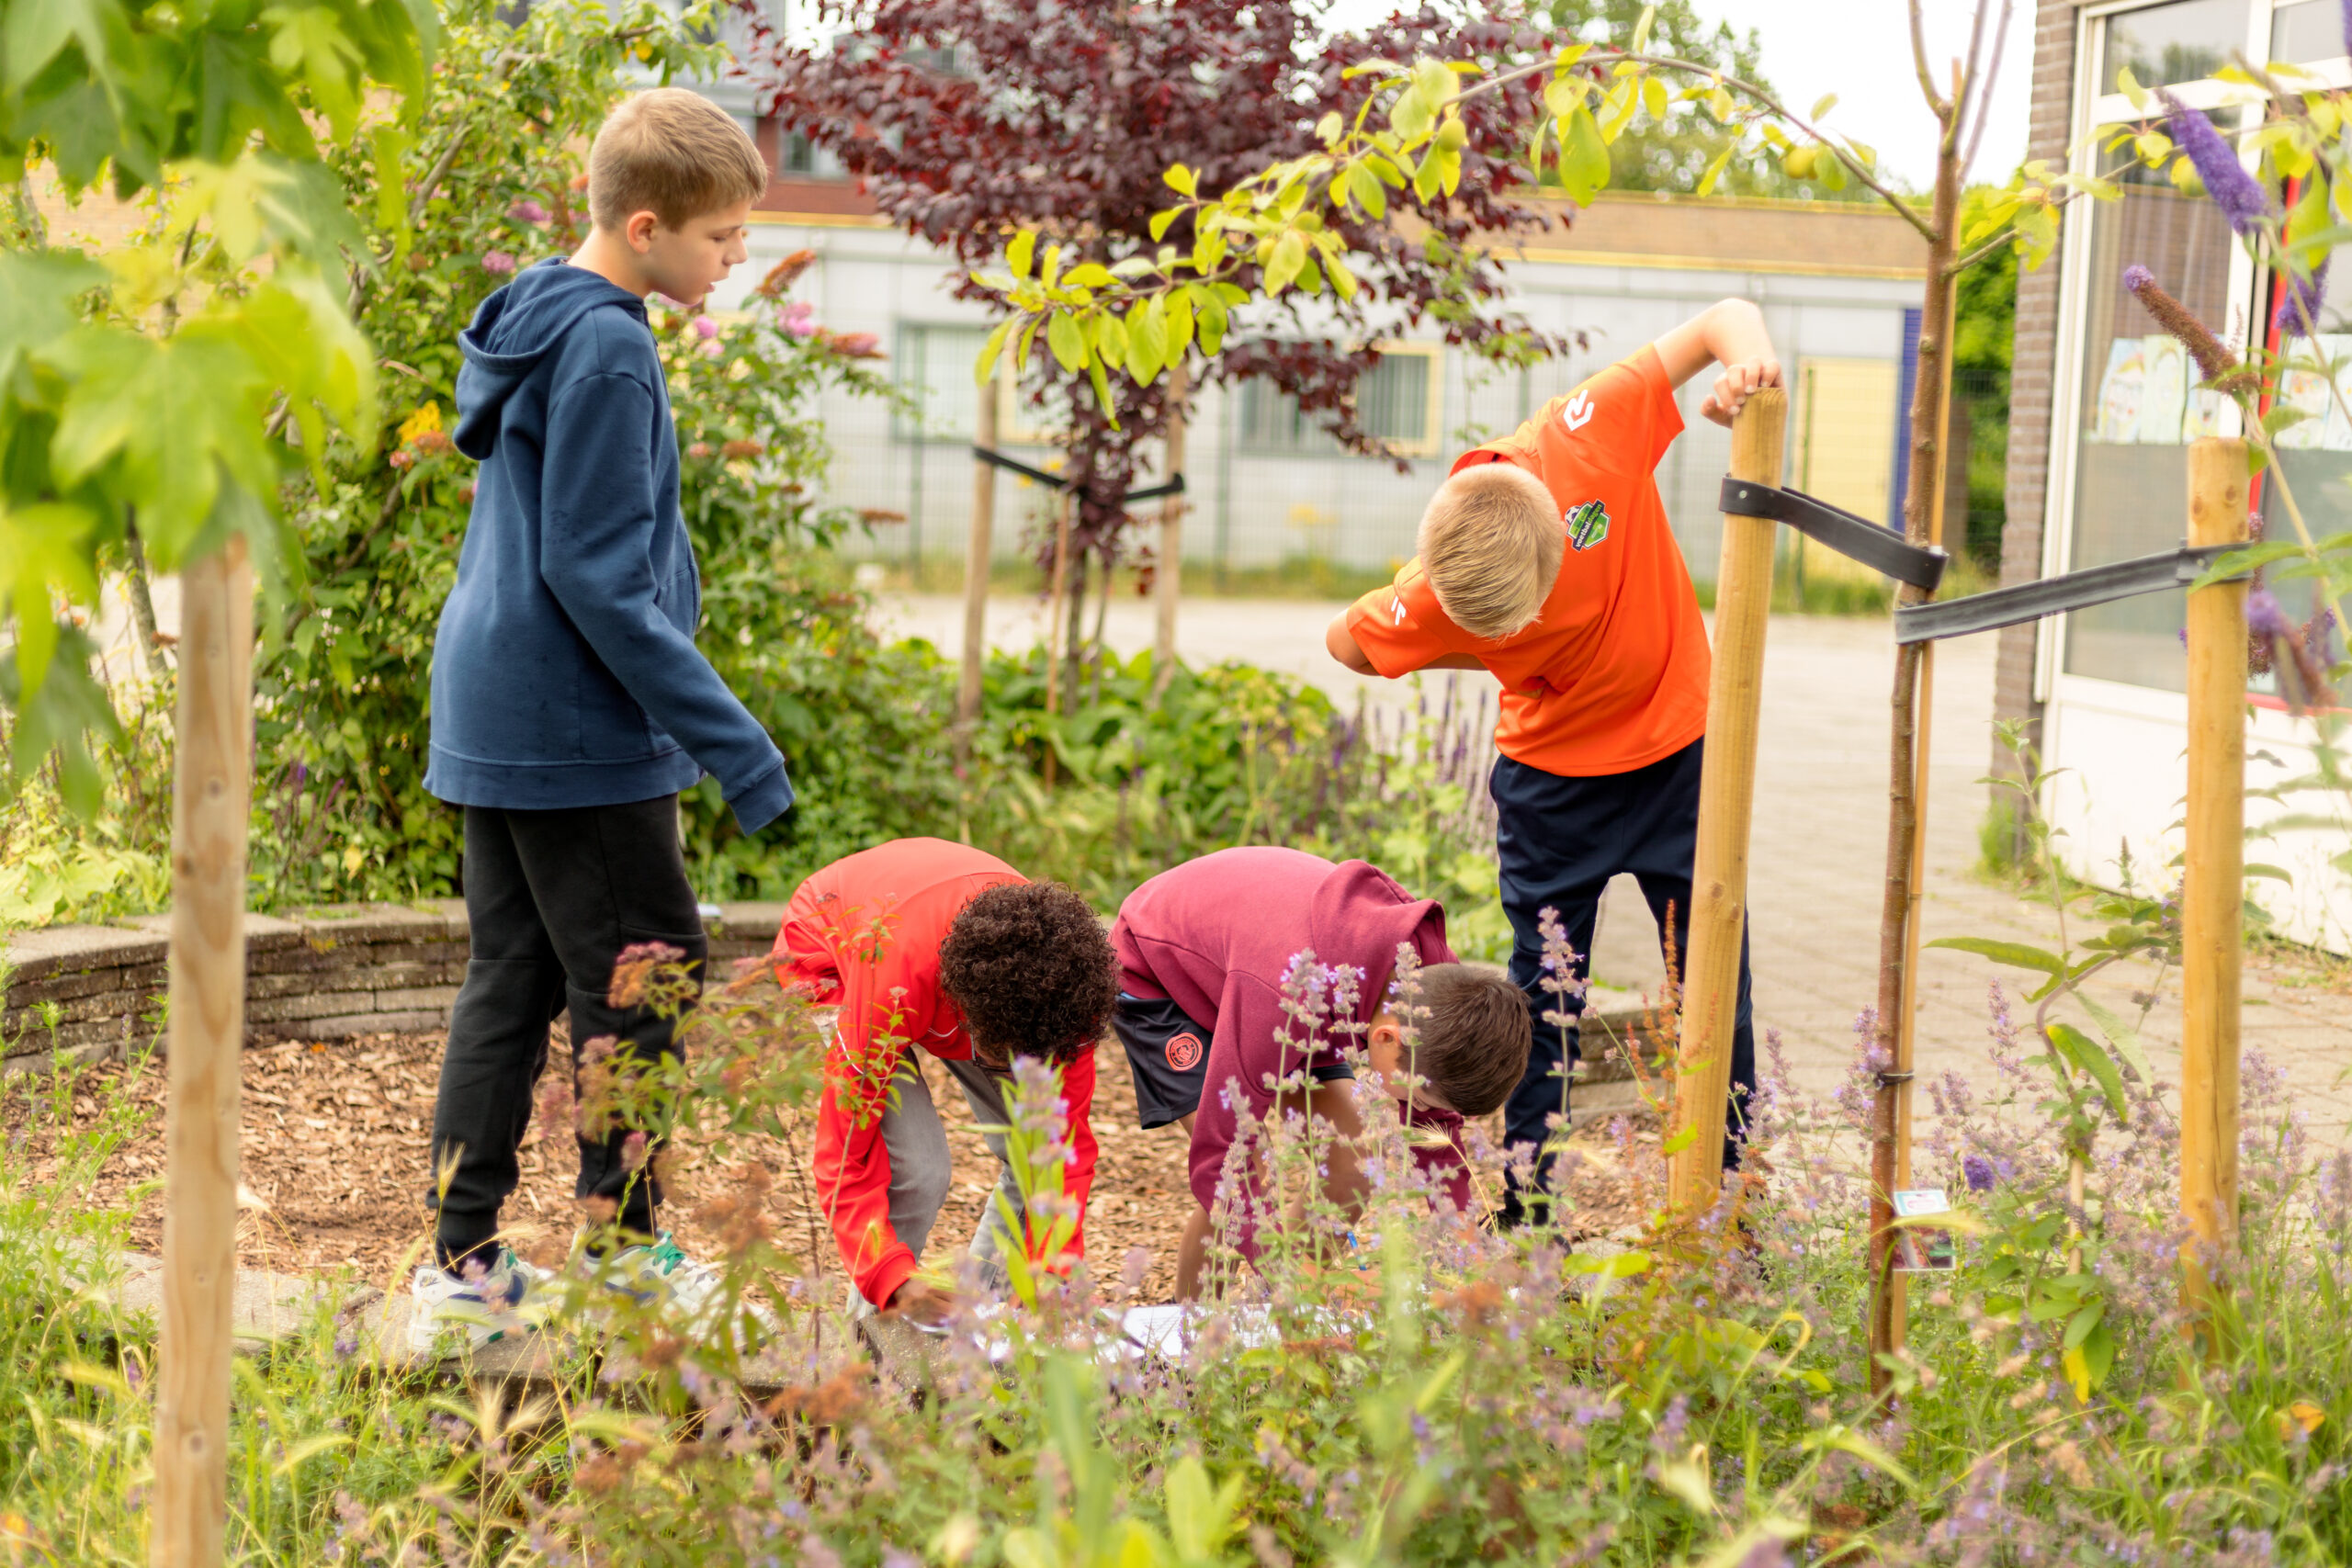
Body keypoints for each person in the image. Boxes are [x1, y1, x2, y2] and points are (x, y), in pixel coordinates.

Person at [411, 89, 786, 1349]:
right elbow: (598, 575)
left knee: (511, 974)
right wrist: (740, 744)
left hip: (494, 694)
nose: (736, 257)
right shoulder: (611, 342)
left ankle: (462, 1261)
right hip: (574, 717)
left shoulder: (533, 312)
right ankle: (623, 1256)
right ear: (644, 225)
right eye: (724, 236)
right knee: (646, 974)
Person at [1324, 299, 1782, 1226]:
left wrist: (1749, 367)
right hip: (1550, 792)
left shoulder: (1593, 430)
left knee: (1712, 973)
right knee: (1541, 998)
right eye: (1495, 630)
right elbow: (1347, 645)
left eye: (1523, 619)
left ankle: (1734, 1199)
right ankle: (1530, 1213)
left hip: (1678, 757)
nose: (1521, 635)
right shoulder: (1434, 585)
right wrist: (1486, 649)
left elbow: (1721, 320)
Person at [1109, 846, 1530, 1295]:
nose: (1421, 1110)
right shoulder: (1278, 997)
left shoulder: (1435, 985)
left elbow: (1437, 1126)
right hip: (1158, 970)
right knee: (1247, 1162)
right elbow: (1218, 1156)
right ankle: (1196, 1330)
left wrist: (1465, 1246)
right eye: (1420, 1098)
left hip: (1291, 984)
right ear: (1387, 1038)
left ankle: (1292, 1311)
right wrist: (1288, 1273)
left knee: (1353, 1164)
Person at [771, 838, 1119, 1323]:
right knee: (917, 1167)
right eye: (1002, 1062)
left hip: (950, 967)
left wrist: (1051, 1265)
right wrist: (888, 1279)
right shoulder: (892, 989)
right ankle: (869, 1345)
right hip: (833, 946)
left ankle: (983, 1326)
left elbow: (1063, 1149)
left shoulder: (1064, 1001)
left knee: (1032, 1144)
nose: (1013, 1079)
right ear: (968, 1016)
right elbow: (845, 1153)